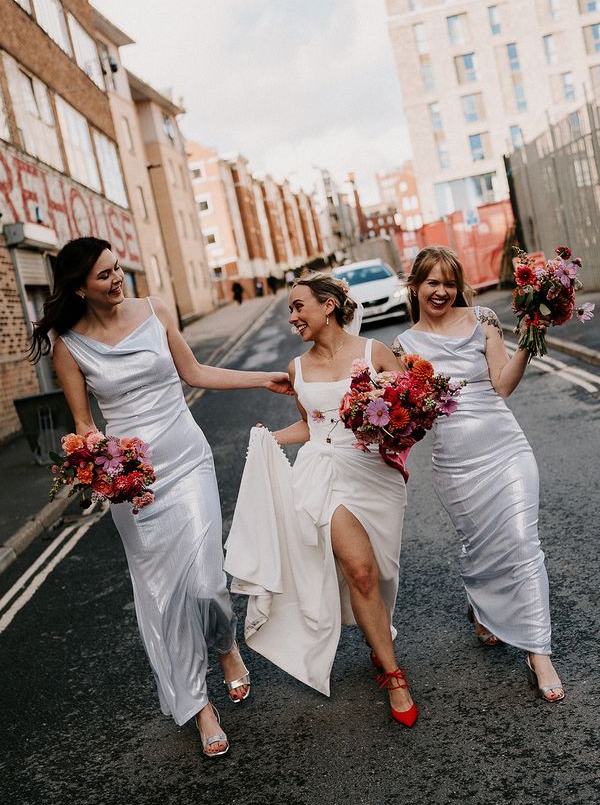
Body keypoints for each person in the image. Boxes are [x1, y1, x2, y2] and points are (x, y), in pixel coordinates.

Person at [29, 237, 293, 757]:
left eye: (118, 267)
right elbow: (85, 428)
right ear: (80, 287)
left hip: (187, 461)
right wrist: (112, 476)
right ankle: (199, 708)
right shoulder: (69, 345)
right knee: (163, 596)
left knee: (205, 581)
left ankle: (224, 646)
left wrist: (264, 378)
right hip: (136, 486)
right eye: (104, 275)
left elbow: (194, 374)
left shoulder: (155, 311)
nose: (117, 278)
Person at [228, 273, 418, 726]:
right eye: (290, 311)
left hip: (374, 474)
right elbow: (312, 427)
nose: (293, 318)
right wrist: (269, 440)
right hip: (323, 474)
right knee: (360, 569)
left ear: (328, 306)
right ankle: (393, 675)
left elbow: (411, 410)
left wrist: (400, 425)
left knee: (381, 572)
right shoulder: (297, 368)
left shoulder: (375, 354)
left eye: (298, 307)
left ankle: (378, 641)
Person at [393, 246, 564, 703]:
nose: (442, 291)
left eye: (450, 283)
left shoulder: (483, 319)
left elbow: (502, 384)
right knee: (482, 545)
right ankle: (483, 604)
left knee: (525, 542)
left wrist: (529, 341)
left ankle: (537, 650)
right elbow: (412, 420)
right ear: (416, 285)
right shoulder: (403, 347)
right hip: (454, 462)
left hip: (506, 447)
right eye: (433, 282)